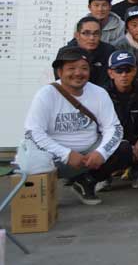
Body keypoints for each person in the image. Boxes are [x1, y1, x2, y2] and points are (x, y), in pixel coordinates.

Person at [24, 46, 130, 205]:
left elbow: (113, 128)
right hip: (56, 158)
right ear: (60, 72)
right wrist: (66, 154)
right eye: (71, 68)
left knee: (124, 149)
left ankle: (86, 182)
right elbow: (33, 132)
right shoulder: (46, 94)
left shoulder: (99, 93)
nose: (78, 73)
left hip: (89, 155)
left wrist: (101, 152)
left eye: (84, 68)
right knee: (31, 163)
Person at [104, 50, 138, 190]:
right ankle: (103, 175)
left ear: (135, 71)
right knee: (115, 147)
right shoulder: (102, 93)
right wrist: (123, 144)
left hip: (137, 137)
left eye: (128, 70)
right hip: (113, 139)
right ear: (110, 73)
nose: (124, 74)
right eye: (119, 70)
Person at [59, 16, 116, 87]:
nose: (92, 38)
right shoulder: (65, 53)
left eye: (96, 33)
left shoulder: (109, 51)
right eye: (86, 33)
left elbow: (110, 81)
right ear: (77, 35)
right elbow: (60, 81)